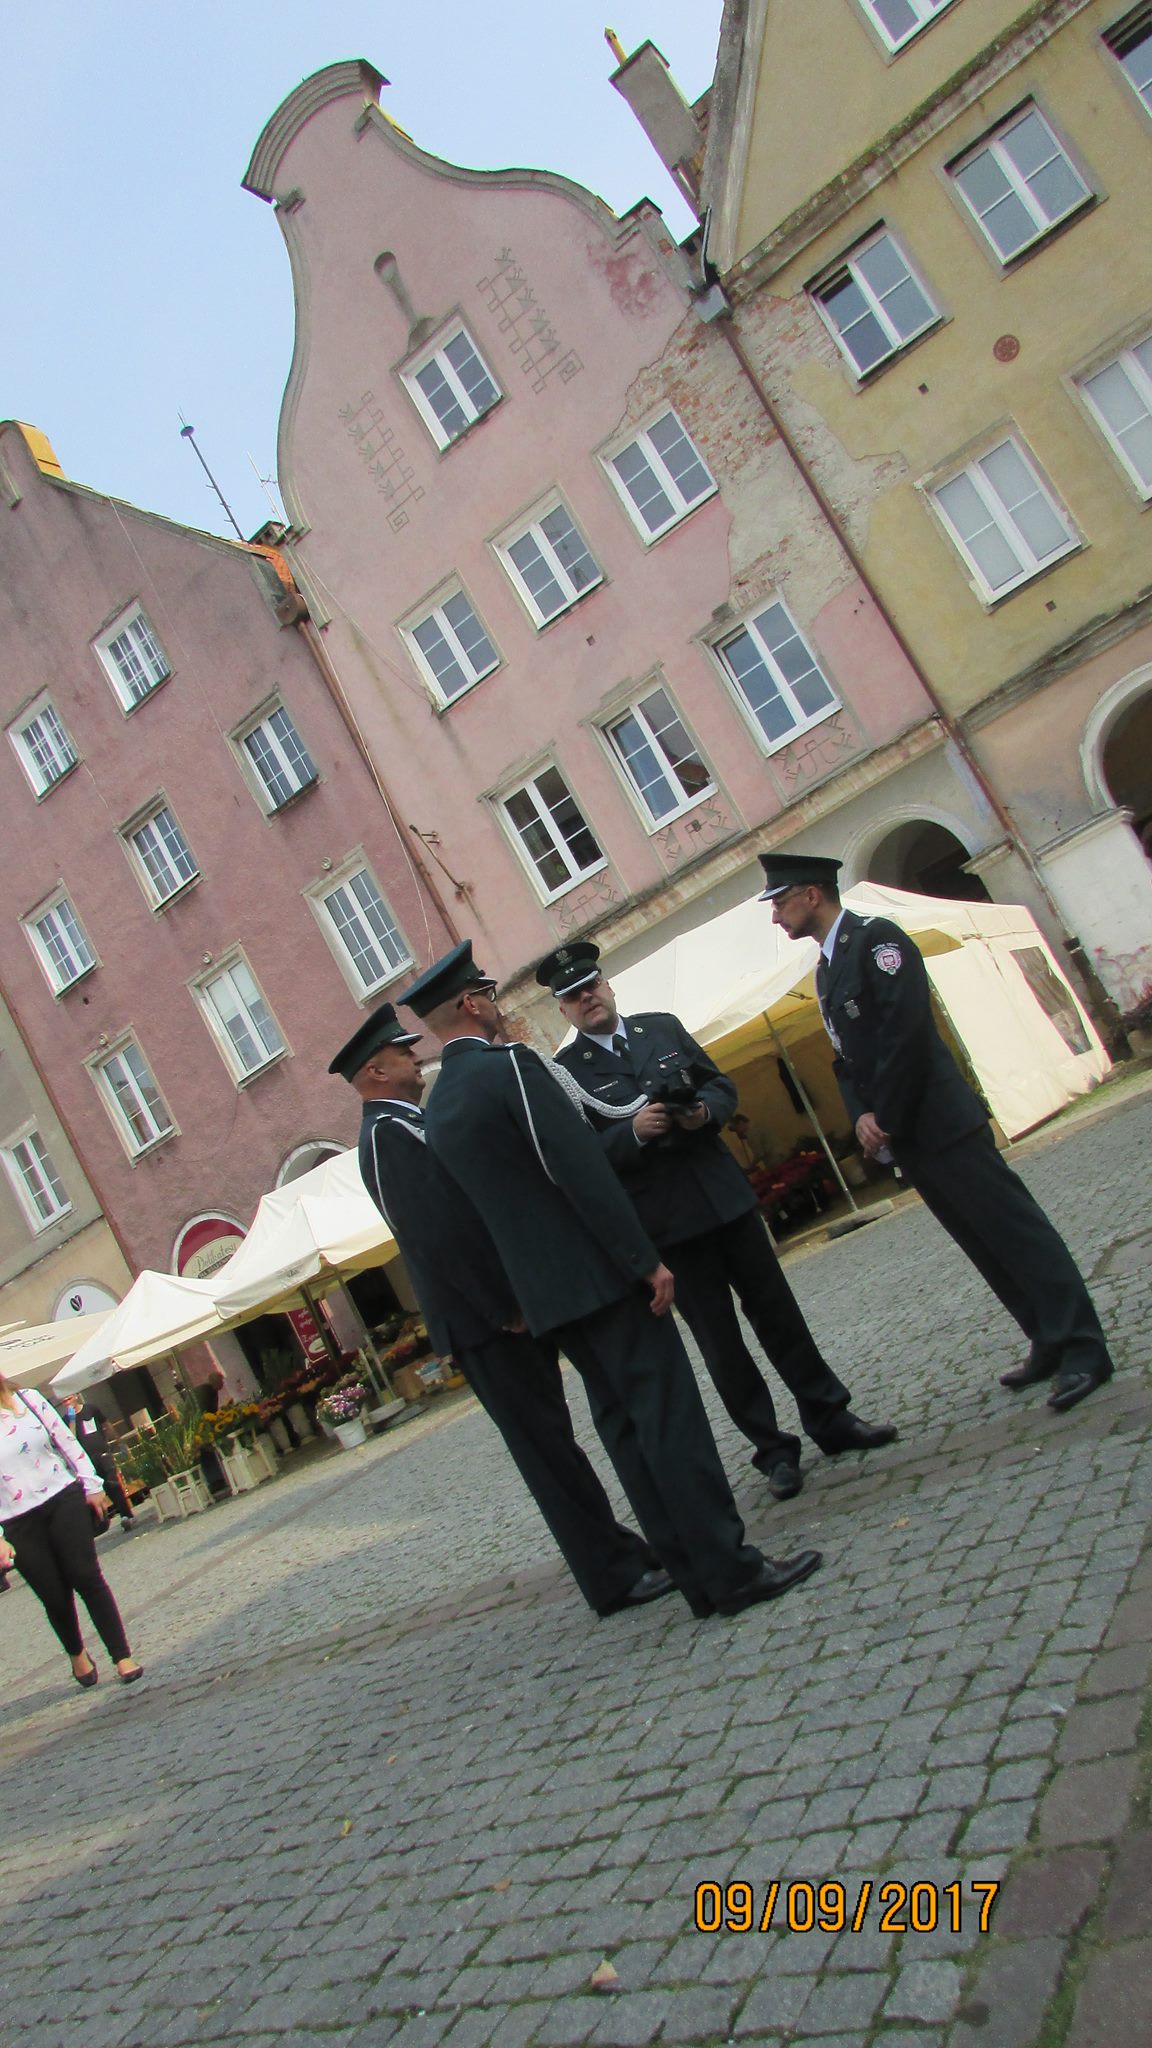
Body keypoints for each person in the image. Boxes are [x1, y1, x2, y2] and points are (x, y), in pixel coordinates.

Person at [400, 941, 822, 1619]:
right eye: (491, 997)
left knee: (626, 1433)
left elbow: (465, 1218)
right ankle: (731, 1570)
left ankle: (692, 1574)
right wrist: (642, 1259)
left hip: (549, 1299)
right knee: (671, 1423)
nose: (498, 1008)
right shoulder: (511, 1068)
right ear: (473, 1003)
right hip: (599, 1277)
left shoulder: (439, 1102)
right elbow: (578, 1170)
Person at [327, 1000, 672, 1618]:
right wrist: (500, 1308)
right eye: (401, 1053)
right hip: (483, 1323)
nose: (414, 1057)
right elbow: (435, 1238)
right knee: (546, 1450)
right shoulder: (384, 1136)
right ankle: (612, 1576)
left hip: (501, 1309)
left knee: (557, 1440)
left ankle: (622, 1551)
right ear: (374, 1072)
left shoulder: (407, 1121)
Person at [541, 942, 896, 1501]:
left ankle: (830, 1417)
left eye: (592, 985)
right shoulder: (567, 1074)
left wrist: (704, 1112)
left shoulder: (662, 1027)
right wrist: (632, 1133)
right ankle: (773, 1451)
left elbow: (719, 1084)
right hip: (669, 1227)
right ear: (563, 1010)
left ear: (608, 986)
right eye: (573, 995)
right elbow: (581, 1161)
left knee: (780, 1317)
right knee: (721, 1346)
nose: (587, 998)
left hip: (725, 1202)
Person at [762, 852, 1115, 1414]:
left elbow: (906, 1034)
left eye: (780, 901)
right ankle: (1046, 1337)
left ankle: (1083, 1348)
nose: (775, 915)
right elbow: (844, 1056)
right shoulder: (826, 970)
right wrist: (861, 1114)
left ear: (811, 894)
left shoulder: (877, 939)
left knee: (1017, 1235)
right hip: (908, 1135)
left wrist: (885, 1115)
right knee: (982, 1244)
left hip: (939, 1122)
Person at [0, 1374, 143, 1688]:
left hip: (62, 1497)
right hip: (16, 1519)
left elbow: (67, 1441)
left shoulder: (28, 1400)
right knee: (54, 1595)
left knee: (86, 1576)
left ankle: (122, 1656)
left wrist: (92, 1485)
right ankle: (77, 1653)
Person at [67, 1394, 135, 1532]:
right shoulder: (67, 1419)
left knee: (113, 1482)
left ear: (75, 1397)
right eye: (64, 1401)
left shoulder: (91, 1409)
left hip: (102, 1452)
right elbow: (70, 1438)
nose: (67, 1403)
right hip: (87, 1459)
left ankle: (126, 1515)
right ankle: (124, 1513)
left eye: (69, 1399)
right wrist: (72, 1420)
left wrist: (118, 1441)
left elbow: (106, 1424)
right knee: (105, 1486)